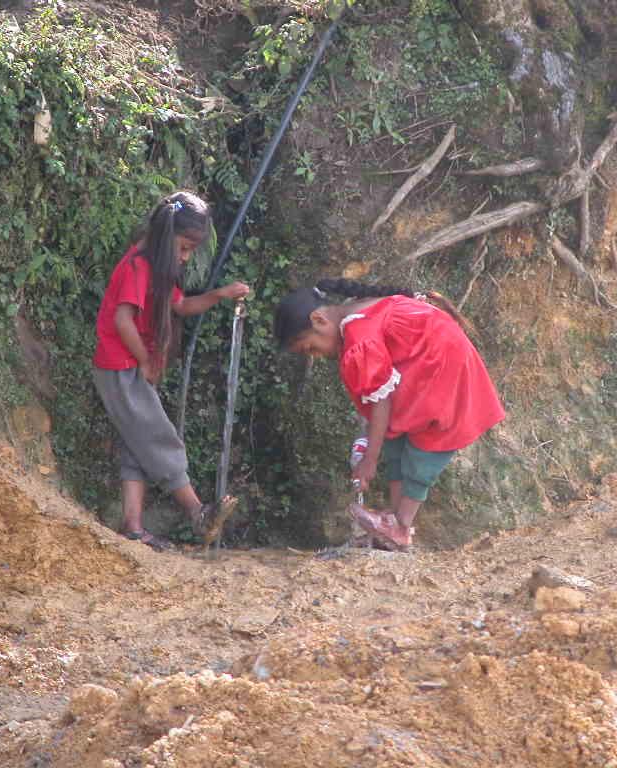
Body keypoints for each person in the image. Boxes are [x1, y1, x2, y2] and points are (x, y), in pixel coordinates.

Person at [274, 278, 505, 550]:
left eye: (311, 348)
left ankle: (402, 525)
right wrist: (369, 443)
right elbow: (377, 397)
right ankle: (392, 523)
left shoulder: (359, 336)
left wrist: (369, 461)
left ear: (319, 320)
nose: (316, 355)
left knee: (425, 452)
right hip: (425, 366)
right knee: (395, 439)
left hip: (443, 369)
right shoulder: (356, 315)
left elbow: (380, 401)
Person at [92, 191, 249, 551]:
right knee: (157, 435)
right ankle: (197, 514)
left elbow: (181, 305)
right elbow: (122, 319)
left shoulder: (160, 269)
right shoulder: (137, 266)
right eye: (184, 247)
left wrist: (220, 295)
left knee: (137, 443)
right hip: (120, 365)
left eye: (191, 250)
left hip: (129, 366)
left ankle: (133, 527)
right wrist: (145, 361)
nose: (185, 256)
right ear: (166, 235)